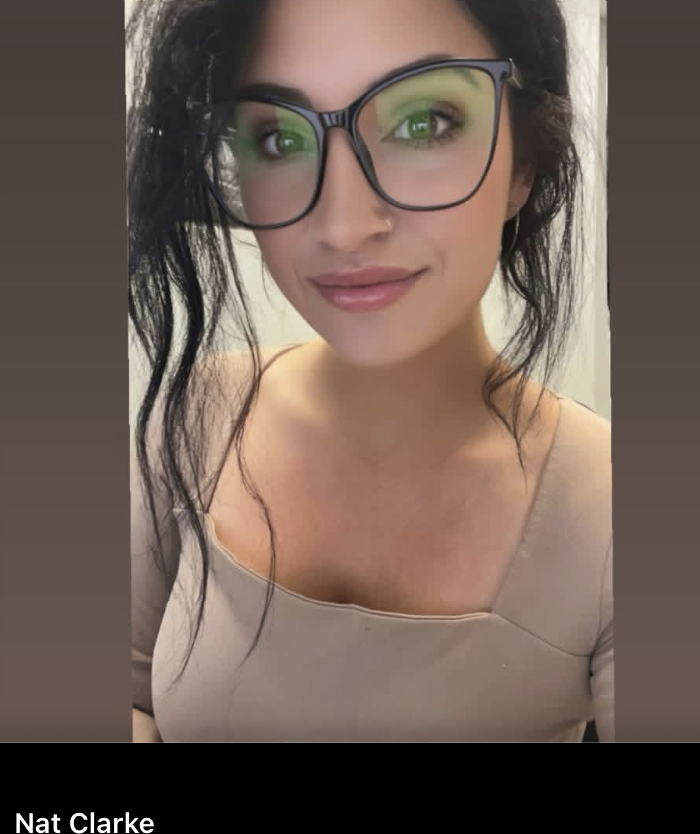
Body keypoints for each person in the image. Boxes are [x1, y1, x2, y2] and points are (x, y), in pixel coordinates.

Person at [128, 0, 613, 743]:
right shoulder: (190, 418)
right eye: (279, 138)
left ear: (525, 162)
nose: (344, 225)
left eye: (423, 124)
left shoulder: (611, 513)